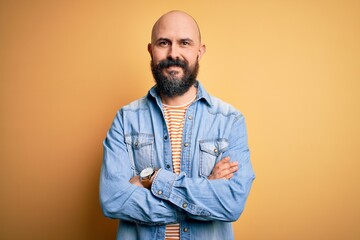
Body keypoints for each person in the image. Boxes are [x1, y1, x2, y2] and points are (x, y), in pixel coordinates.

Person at [100, 10, 255, 240]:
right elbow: (113, 200)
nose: (174, 53)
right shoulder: (126, 119)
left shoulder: (229, 121)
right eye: (164, 43)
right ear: (151, 51)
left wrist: (152, 177)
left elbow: (230, 204)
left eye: (184, 43)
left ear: (199, 51)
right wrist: (204, 190)